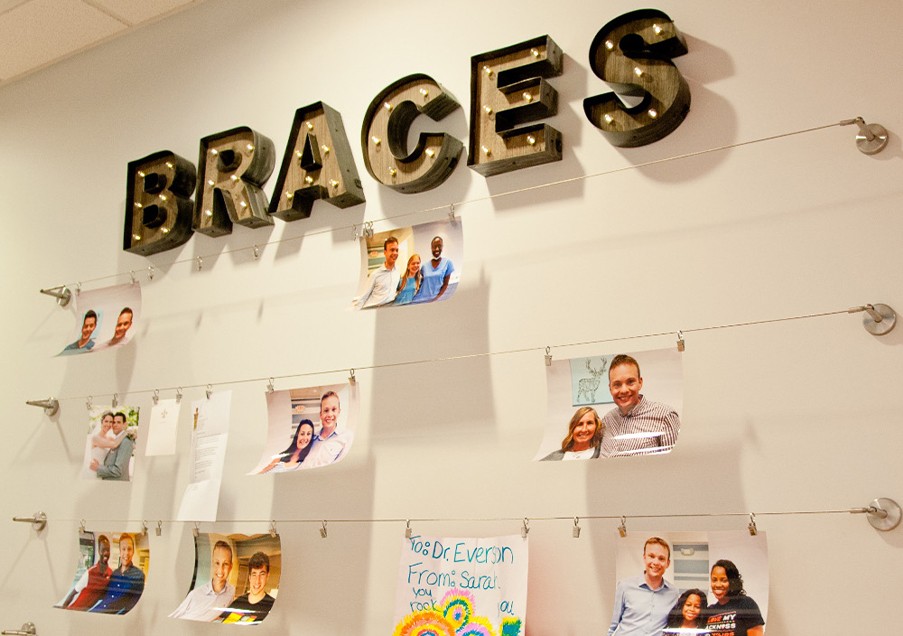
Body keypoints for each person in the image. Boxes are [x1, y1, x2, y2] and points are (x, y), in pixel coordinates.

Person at [601, 354, 680, 456]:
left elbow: (675, 465)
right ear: (610, 388)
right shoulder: (607, 421)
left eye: (630, 382)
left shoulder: (665, 416)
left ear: (640, 383)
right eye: (617, 384)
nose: (624, 390)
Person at [609, 536, 680, 636]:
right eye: (651, 556)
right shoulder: (624, 587)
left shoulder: (673, 593)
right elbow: (611, 626)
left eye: (661, 558)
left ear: (668, 563)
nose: (655, 562)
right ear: (644, 557)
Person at [170, 540, 236, 621]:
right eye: (217, 563)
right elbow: (172, 619)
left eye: (225, 564)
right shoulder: (195, 595)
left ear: (231, 567)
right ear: (212, 563)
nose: (220, 569)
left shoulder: (231, 591)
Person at [705, 560, 764, 636]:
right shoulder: (710, 610)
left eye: (724, 580)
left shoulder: (746, 604)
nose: (718, 584)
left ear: (732, 582)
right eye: (714, 580)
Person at [218, 551, 276, 624]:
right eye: (254, 574)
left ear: (267, 576)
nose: (257, 581)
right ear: (249, 577)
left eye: (262, 574)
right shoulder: (238, 602)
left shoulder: (273, 607)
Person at [92, 533, 145, 614]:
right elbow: (105, 595)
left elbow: (132, 605)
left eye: (129, 549)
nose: (126, 553)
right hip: (97, 611)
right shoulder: (114, 573)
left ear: (133, 551)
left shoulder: (138, 575)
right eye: (123, 549)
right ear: (120, 551)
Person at [303, 391, 353, 468]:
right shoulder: (311, 438)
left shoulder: (346, 437)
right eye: (326, 410)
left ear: (339, 412)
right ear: (321, 414)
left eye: (334, 409)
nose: (330, 414)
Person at [62, 534, 113, 611]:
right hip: (74, 611)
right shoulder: (90, 573)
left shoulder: (110, 573)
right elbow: (73, 593)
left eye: (108, 550)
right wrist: (63, 610)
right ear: (99, 551)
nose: (106, 553)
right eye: (103, 550)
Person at [542, 406, 613, 460]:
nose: (584, 429)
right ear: (572, 428)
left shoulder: (603, 453)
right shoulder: (555, 457)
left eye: (589, 423)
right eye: (579, 424)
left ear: (596, 426)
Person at [356, 236, 401, 308]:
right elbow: (363, 297)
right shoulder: (375, 274)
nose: (395, 253)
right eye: (392, 250)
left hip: (390, 307)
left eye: (396, 250)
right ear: (385, 252)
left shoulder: (398, 270)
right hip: (375, 308)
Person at [90, 412, 134, 481]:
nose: (109, 424)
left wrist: (133, 436)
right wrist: (126, 432)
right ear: (102, 422)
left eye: (111, 422)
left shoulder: (112, 439)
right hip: (94, 470)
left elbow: (128, 445)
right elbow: (114, 445)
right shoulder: (95, 438)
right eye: (106, 421)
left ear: (124, 424)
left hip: (102, 472)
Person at [413, 235, 454, 303]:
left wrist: (436, 298)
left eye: (439, 246)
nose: (437, 249)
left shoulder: (447, 263)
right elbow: (419, 282)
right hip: (419, 299)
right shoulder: (424, 266)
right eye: (434, 246)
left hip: (433, 300)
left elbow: (445, 284)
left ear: (442, 247)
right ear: (431, 248)